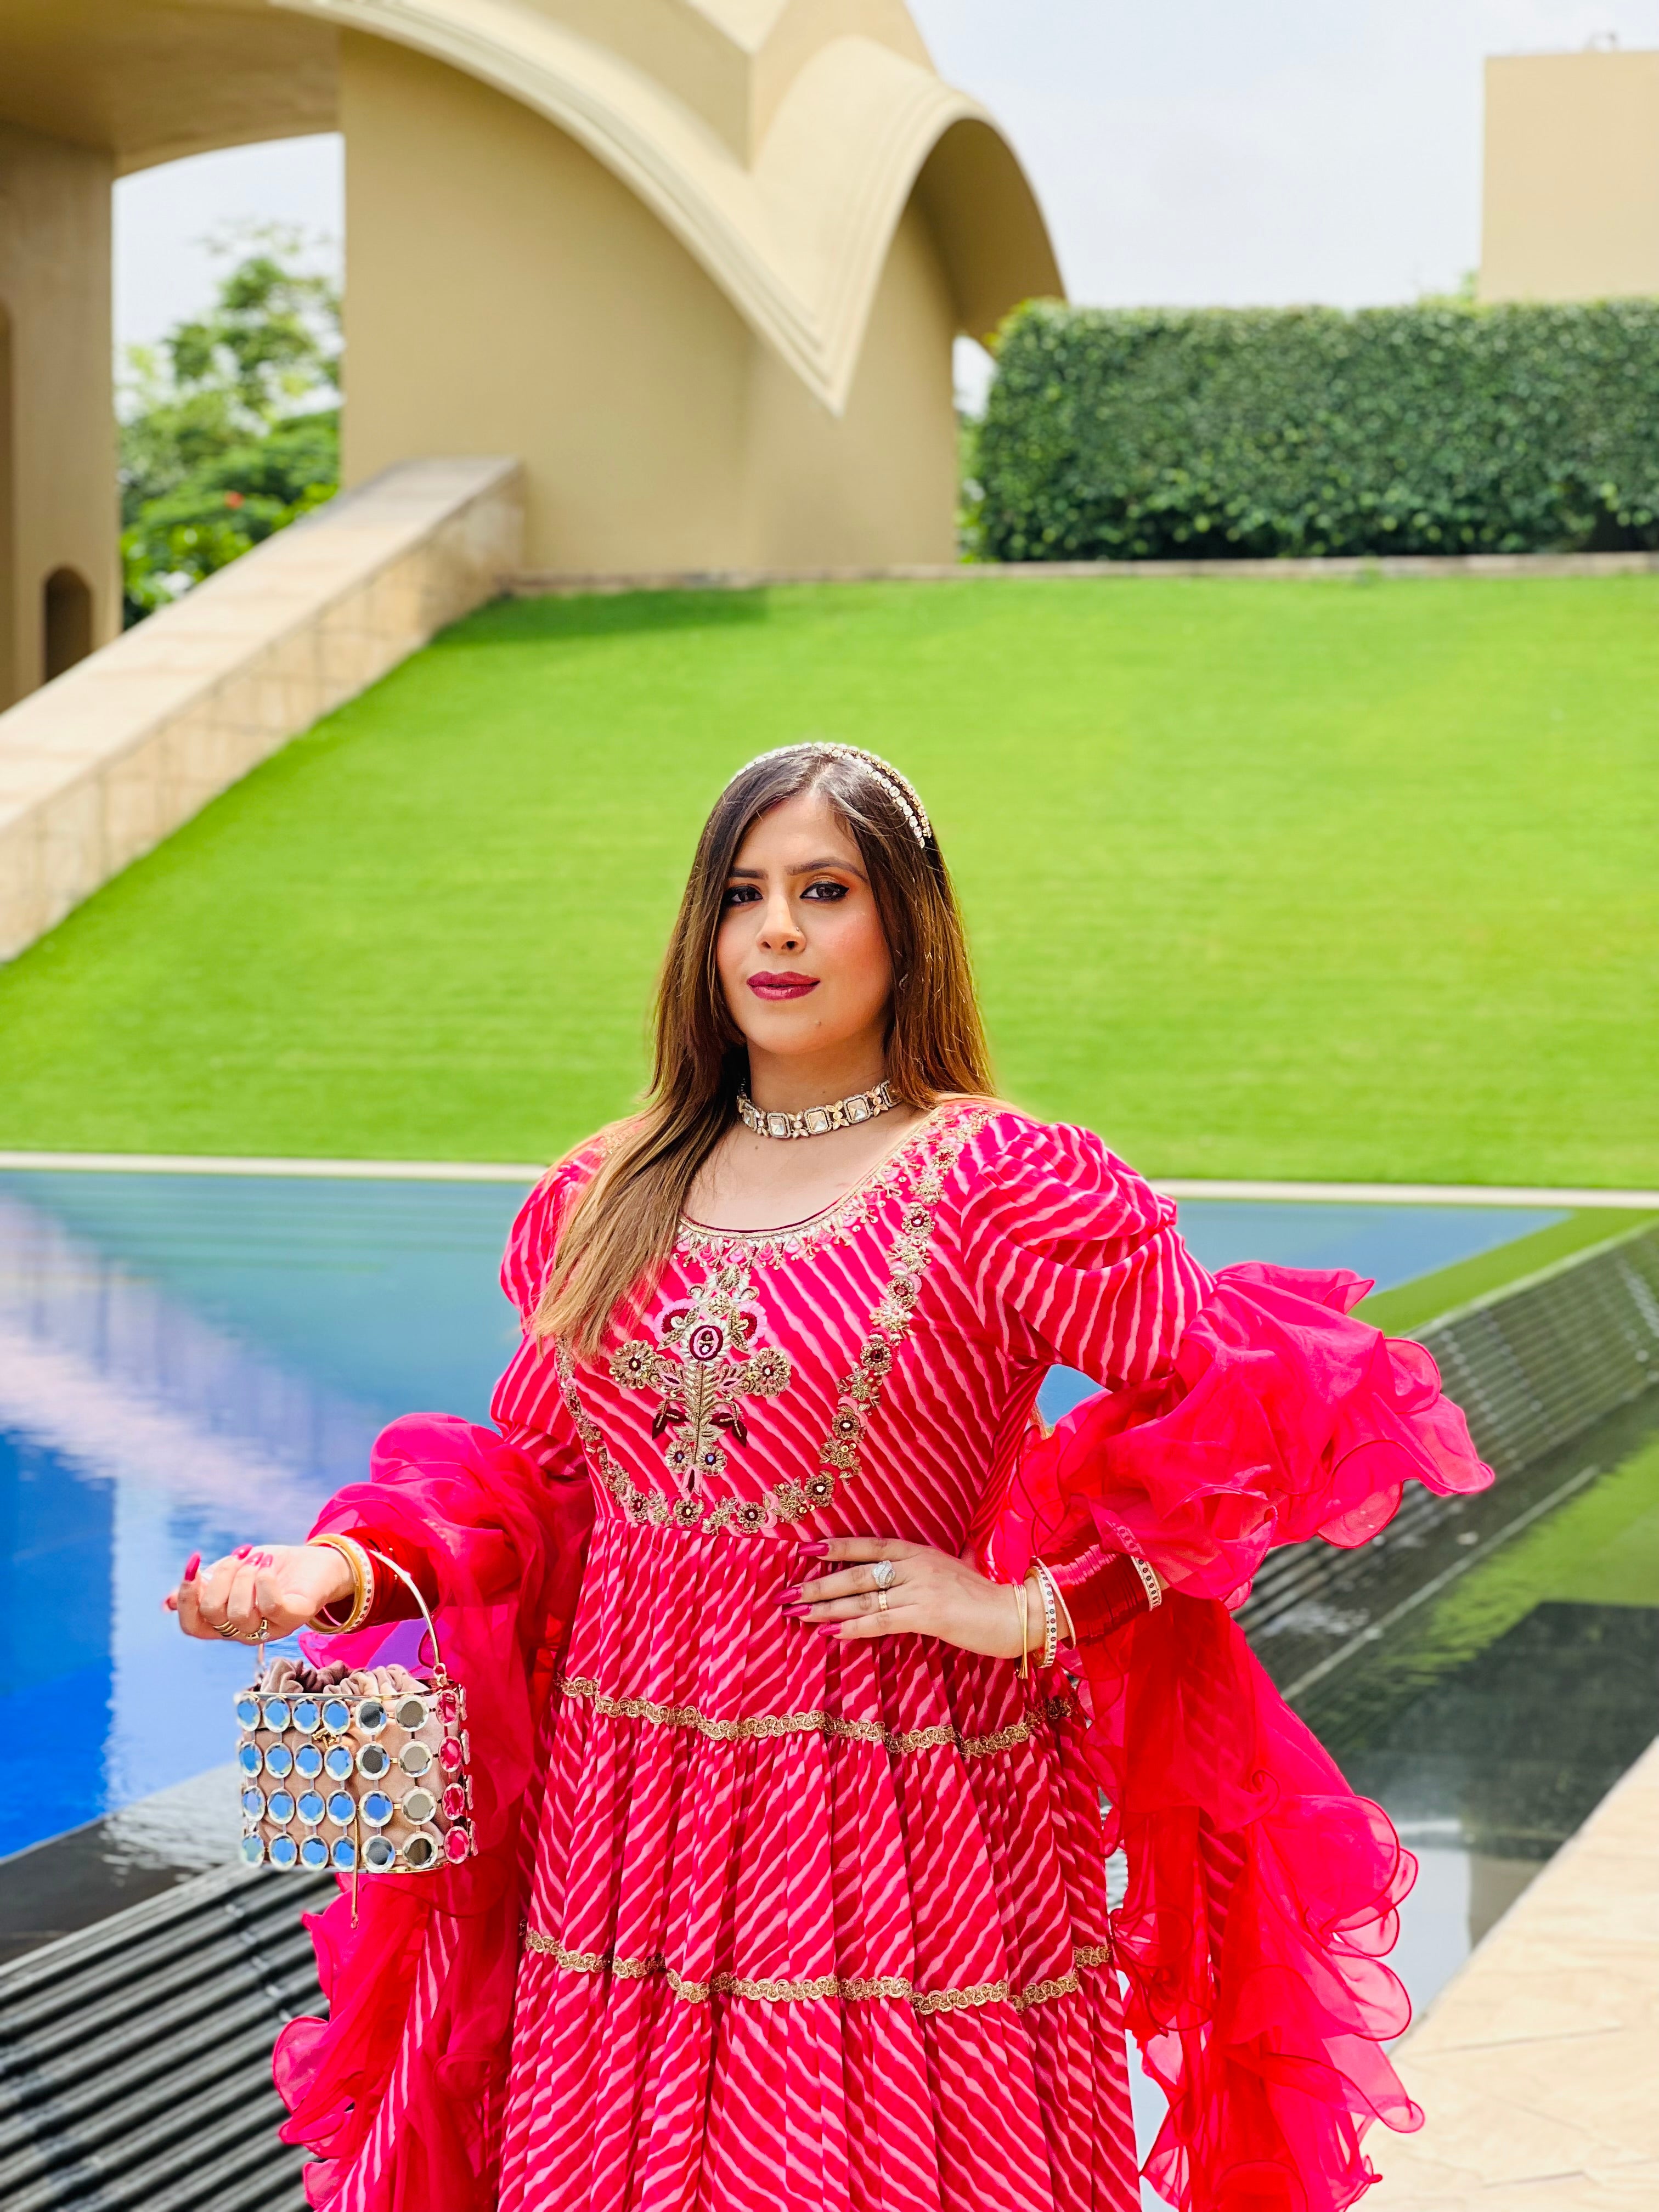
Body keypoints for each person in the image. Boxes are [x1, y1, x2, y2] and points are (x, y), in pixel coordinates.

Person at [172, 744, 1490, 2212]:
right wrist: (333, 1575)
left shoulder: (1004, 1185)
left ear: (906, 923)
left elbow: (1273, 1401)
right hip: (627, 1823)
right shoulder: (606, 1195)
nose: (778, 933)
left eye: (824, 891)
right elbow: (532, 1491)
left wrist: (1038, 1609)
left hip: (903, 1801)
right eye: (743, 895)